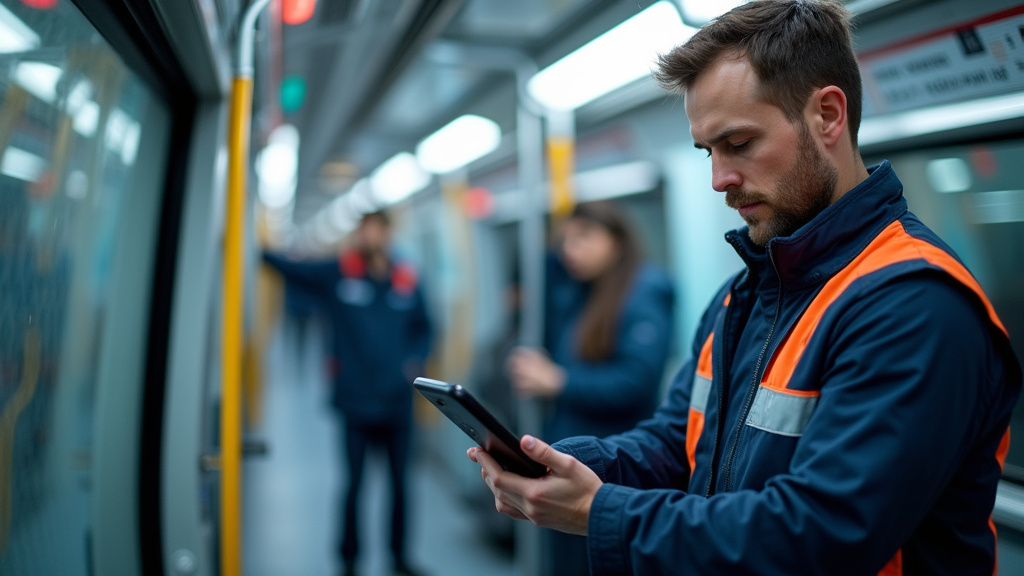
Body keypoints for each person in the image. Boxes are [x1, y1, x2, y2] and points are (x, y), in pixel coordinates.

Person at [466, 1, 1023, 575]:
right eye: (708, 152)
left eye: (738, 143)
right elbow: (676, 442)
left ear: (827, 116)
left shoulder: (911, 304)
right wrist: (566, 464)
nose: (718, 180)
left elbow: (821, 533)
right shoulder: (748, 293)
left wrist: (603, 511)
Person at [506, 201, 674, 575]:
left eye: (584, 237)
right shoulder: (584, 292)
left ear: (617, 240)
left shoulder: (644, 291)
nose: (570, 250)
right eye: (566, 240)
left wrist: (558, 381)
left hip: (612, 462)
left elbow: (635, 382)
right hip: (574, 451)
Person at [263, 211, 432, 576]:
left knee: (400, 486)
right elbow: (292, 270)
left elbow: (426, 327)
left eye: (378, 229)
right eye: (365, 229)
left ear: (388, 233)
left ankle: (398, 556)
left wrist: (416, 360)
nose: (371, 236)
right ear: (359, 234)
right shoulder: (338, 273)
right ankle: (349, 559)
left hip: (397, 404)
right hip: (355, 402)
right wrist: (254, 248)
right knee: (353, 485)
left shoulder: (406, 278)